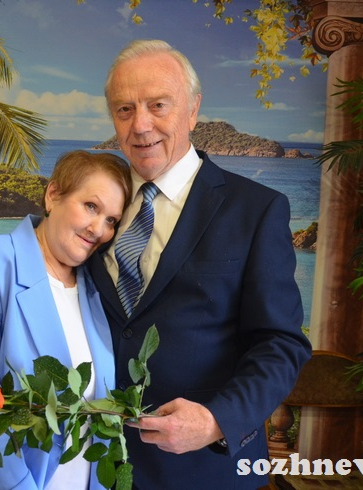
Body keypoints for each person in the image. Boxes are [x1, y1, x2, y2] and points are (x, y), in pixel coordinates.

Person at [86, 39, 313, 489]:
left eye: (158, 105)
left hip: (205, 469)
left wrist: (216, 420)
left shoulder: (257, 209)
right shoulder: (92, 206)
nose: (140, 125)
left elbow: (280, 343)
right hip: (91, 465)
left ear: (193, 110)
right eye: (125, 109)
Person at [0, 150, 132, 490]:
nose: (99, 229)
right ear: (53, 195)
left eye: (111, 220)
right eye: (91, 206)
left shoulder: (96, 288)